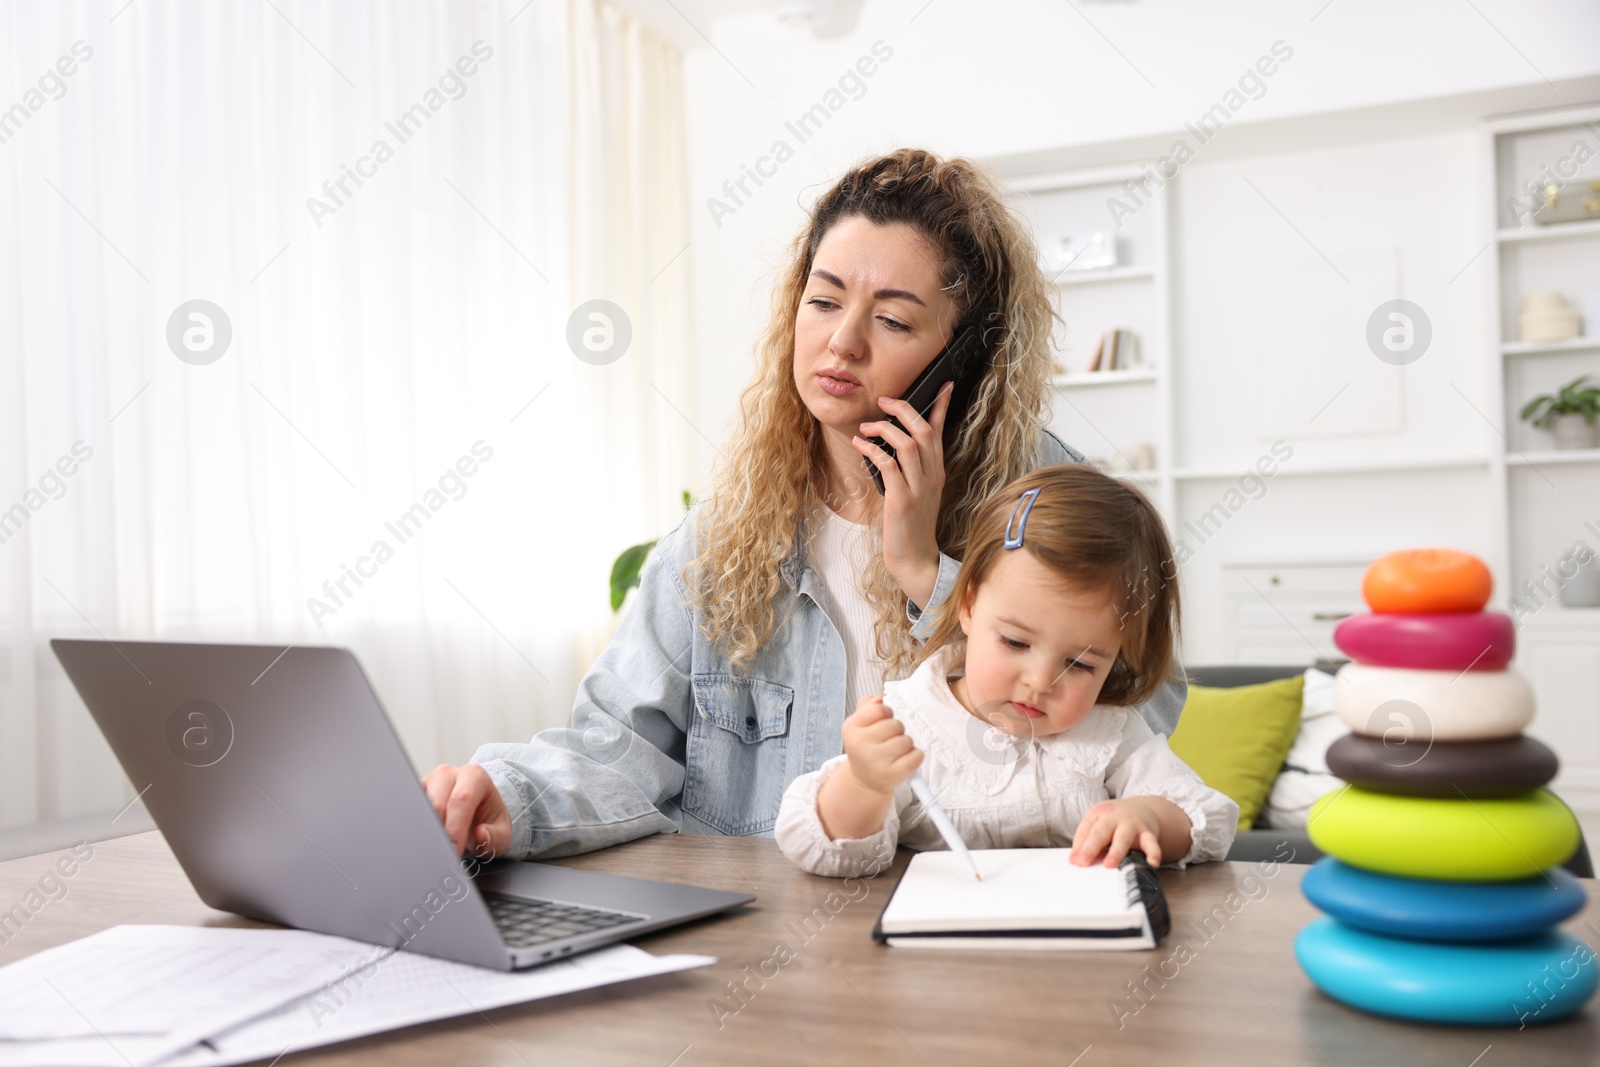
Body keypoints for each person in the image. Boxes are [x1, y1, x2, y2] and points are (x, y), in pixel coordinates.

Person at [422, 148, 1189, 862]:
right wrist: (512, 798)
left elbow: (1140, 710)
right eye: (823, 301)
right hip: (769, 948)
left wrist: (932, 576)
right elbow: (618, 744)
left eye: (892, 319)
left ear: (963, 359)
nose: (842, 343)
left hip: (978, 939)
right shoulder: (727, 534)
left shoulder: (1041, 500)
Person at [776, 465, 1237, 878]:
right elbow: (817, 846)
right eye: (1015, 642)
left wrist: (1151, 817)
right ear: (970, 606)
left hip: (1077, 956)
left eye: (1079, 664)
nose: (1040, 682)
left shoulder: (1109, 735)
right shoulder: (909, 725)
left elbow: (1207, 818)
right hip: (936, 959)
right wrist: (863, 783)